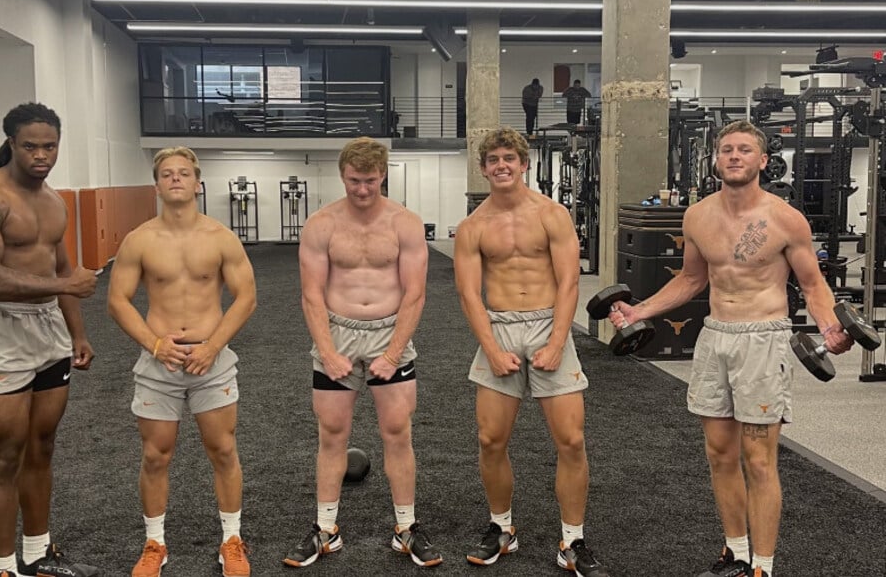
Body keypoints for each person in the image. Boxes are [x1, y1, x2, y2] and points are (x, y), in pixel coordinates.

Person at [609, 120, 854, 577]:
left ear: (763, 161)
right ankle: (736, 554)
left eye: (744, 150)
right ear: (716, 159)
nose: (735, 156)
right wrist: (640, 311)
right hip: (714, 337)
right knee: (719, 454)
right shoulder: (698, 216)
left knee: (759, 459)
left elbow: (813, 284)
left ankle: (763, 566)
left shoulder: (785, 219)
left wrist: (829, 326)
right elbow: (691, 279)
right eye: (727, 150)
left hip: (764, 339)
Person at [454, 127, 611, 575]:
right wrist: (491, 347)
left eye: (509, 158)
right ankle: (501, 527)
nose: (501, 165)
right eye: (493, 160)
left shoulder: (552, 215)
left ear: (524, 164)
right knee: (490, 440)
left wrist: (559, 341)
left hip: (547, 324)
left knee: (571, 440)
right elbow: (469, 295)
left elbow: (569, 282)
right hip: (499, 328)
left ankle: (572, 541)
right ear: (483, 168)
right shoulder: (473, 227)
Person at [0, 102, 100, 577]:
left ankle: (37, 556)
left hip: (49, 332)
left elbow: (62, 269)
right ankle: (4, 568)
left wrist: (77, 331)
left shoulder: (55, 201)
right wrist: (65, 288)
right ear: (12, 144)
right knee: (5, 455)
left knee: (42, 446)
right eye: (31, 146)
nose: (42, 155)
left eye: (50, 146)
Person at [284, 136, 442, 568]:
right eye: (354, 181)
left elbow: (415, 294)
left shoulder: (405, 223)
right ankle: (326, 529)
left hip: (390, 332)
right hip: (337, 332)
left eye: (370, 181)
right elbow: (311, 296)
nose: (362, 190)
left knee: (397, 431)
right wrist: (328, 351)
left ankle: (406, 528)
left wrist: (392, 355)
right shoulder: (322, 224)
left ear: (383, 175)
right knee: (332, 433)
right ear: (342, 176)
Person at [107, 147, 257, 577]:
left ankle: (232, 538)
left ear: (198, 183)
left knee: (224, 449)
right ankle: (154, 543)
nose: (176, 179)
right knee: (156, 455)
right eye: (167, 174)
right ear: (156, 185)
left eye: (184, 173)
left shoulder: (221, 237)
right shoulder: (139, 240)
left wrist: (214, 345)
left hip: (213, 361)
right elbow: (118, 301)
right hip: (160, 364)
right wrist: (155, 344)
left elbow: (246, 297)